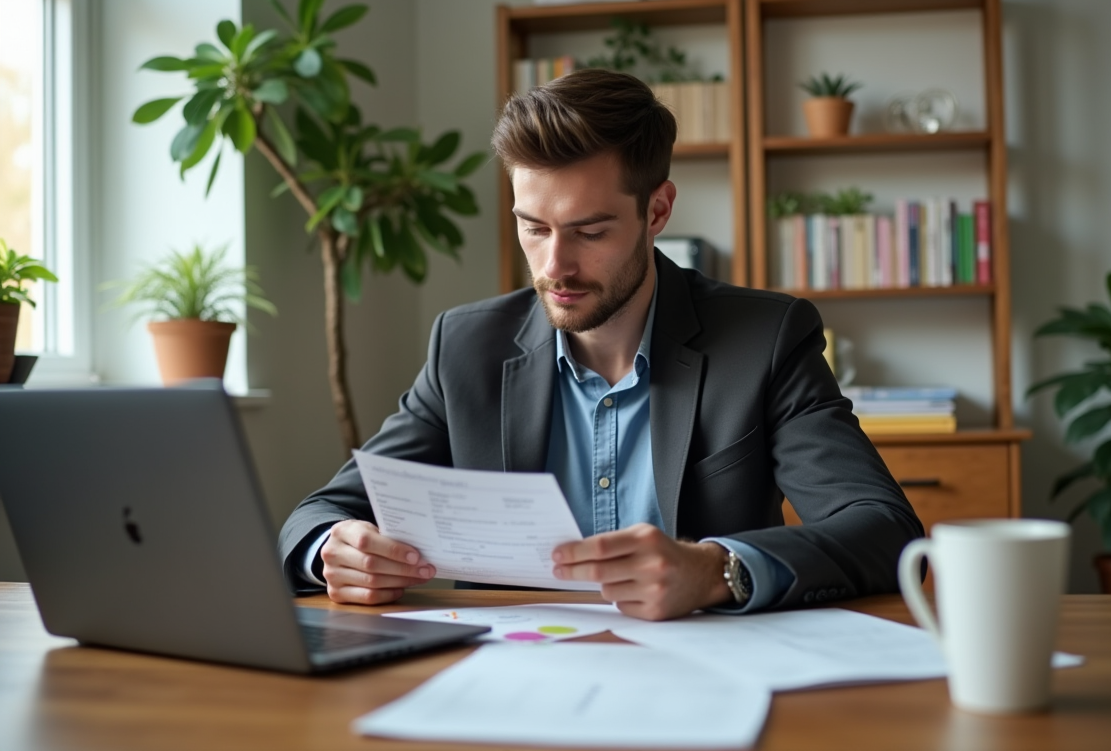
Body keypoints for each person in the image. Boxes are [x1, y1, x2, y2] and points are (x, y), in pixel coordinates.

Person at [278, 68, 923, 620]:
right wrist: (334, 548)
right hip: (512, 684)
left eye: (589, 232)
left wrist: (717, 569)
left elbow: (884, 529)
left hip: (702, 677)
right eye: (533, 228)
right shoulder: (465, 347)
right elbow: (319, 515)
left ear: (657, 212)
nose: (555, 265)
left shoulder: (764, 340)